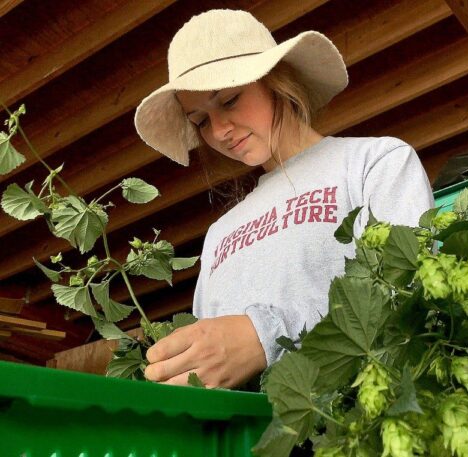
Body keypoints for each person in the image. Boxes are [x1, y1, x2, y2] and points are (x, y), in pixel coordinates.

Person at [132, 9, 434, 388]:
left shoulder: (373, 162)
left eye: (228, 100)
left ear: (276, 80)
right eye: (201, 121)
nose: (220, 130)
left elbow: (410, 295)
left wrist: (265, 335)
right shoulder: (219, 234)